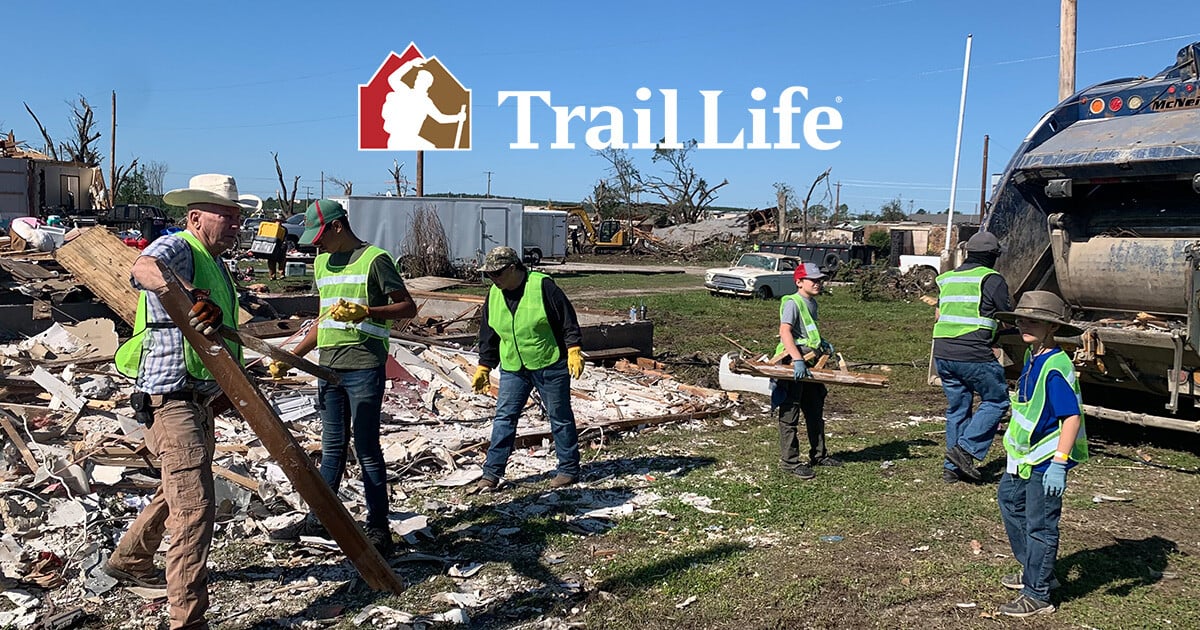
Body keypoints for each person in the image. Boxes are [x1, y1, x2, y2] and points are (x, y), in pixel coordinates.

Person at [107, 173, 250, 630]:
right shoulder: (180, 247)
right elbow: (144, 268)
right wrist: (186, 294)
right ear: (195, 217)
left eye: (238, 217)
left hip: (198, 398)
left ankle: (130, 558)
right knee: (194, 507)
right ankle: (187, 622)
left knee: (178, 490)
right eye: (226, 216)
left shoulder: (216, 262)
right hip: (171, 399)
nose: (235, 224)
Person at [268, 199, 416, 555]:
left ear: (338, 226)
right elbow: (323, 322)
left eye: (320, 236)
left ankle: (378, 529)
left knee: (366, 449)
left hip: (363, 365)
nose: (316, 244)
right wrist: (292, 358)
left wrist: (366, 311)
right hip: (328, 368)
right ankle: (320, 519)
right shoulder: (322, 263)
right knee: (332, 448)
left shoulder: (374, 259)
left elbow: (408, 307)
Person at [992, 291, 1087, 617]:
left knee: (1041, 525)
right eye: (1021, 320)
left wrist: (1059, 463)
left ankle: (1038, 594)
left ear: (1052, 327)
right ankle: (1035, 570)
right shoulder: (1034, 355)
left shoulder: (1055, 366)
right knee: (1009, 500)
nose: (1024, 325)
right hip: (1025, 457)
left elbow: (1071, 417)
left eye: (1034, 321)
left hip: (1046, 460)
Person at [470, 246, 585, 492]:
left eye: (497, 273)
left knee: (560, 416)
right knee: (504, 417)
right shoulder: (494, 294)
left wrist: (574, 348)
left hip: (548, 362)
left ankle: (568, 469)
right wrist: (484, 367)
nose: (493, 278)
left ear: (513, 268)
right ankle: (491, 473)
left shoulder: (543, 286)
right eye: (489, 274)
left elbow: (567, 320)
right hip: (513, 366)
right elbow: (488, 334)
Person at [933, 231, 1013, 483]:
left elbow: (938, 315)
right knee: (996, 401)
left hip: (943, 352)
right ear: (993, 256)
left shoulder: (948, 279)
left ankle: (951, 469)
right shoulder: (991, 279)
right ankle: (965, 450)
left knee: (958, 408)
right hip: (974, 352)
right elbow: (1007, 316)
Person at [772, 262, 838, 480]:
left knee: (814, 409)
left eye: (820, 280)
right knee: (790, 412)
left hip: (811, 363)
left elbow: (808, 332)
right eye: (813, 280)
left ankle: (819, 455)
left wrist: (822, 342)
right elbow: (785, 332)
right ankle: (790, 462)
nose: (818, 283)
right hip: (794, 363)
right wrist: (798, 359)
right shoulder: (793, 302)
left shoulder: (812, 303)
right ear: (799, 282)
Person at [381, 55, 467, 150]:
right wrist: (410, 64)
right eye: (417, 78)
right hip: (397, 138)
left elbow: (440, 118)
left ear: (427, 84)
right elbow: (392, 79)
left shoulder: (426, 102)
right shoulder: (406, 91)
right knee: (430, 147)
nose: (416, 81)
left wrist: (457, 117)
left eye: (420, 80)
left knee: (431, 147)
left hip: (411, 138)